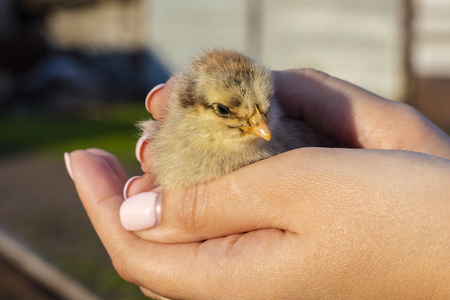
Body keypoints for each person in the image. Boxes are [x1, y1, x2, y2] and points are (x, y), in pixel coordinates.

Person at [65, 69, 450, 300]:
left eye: (264, 110)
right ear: (186, 105)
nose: (261, 127)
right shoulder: (172, 142)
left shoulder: (290, 141)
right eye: (224, 110)